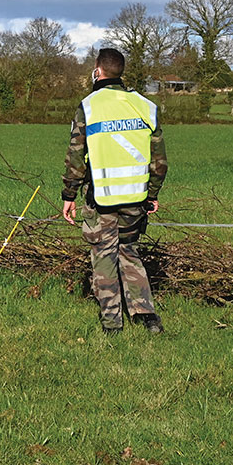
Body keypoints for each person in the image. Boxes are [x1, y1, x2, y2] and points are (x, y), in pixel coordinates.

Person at [62, 47, 168, 335]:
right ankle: (147, 316)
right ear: (121, 71)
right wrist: (152, 194)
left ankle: (112, 324)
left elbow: (75, 156)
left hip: (102, 199)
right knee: (130, 252)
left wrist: (69, 195)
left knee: (104, 256)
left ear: (98, 70)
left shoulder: (89, 106)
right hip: (136, 198)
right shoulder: (145, 106)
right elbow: (159, 162)